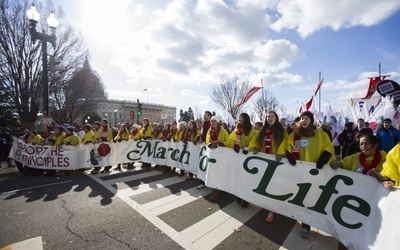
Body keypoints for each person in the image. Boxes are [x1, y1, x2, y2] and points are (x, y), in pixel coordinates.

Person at [277, 111, 335, 238]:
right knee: (301, 197)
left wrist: (323, 160)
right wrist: (289, 156)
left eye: (306, 118)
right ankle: (305, 224)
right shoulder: (295, 134)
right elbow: (287, 146)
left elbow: (328, 148)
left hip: (315, 173)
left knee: (312, 199)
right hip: (298, 172)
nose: (303, 120)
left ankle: (312, 221)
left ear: (311, 120)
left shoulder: (321, 135)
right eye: (302, 118)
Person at [249, 111, 287, 220]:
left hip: (275, 162)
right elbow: (255, 141)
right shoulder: (262, 130)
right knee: (264, 184)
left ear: (276, 118)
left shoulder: (281, 131)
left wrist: (280, 153)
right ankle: (265, 204)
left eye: (272, 116)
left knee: (273, 186)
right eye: (268, 116)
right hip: (263, 162)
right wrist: (255, 147)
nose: (270, 118)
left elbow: (285, 143)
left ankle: (272, 210)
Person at [227, 112, 257, 208]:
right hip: (238, 157)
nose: (240, 118)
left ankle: (246, 198)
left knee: (247, 179)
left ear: (246, 119)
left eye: (242, 117)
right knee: (239, 178)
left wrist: (249, 148)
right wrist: (234, 146)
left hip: (248, 157)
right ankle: (240, 195)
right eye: (239, 117)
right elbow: (230, 140)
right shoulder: (236, 130)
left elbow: (254, 141)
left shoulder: (252, 131)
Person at [206, 115, 230, 201]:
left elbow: (229, 142)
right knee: (213, 173)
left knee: (220, 172)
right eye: (211, 121)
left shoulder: (223, 131)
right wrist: (209, 143)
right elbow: (207, 139)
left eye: (214, 121)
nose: (212, 123)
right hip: (213, 155)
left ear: (218, 122)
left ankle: (222, 189)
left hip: (221, 155)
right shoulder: (209, 131)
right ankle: (214, 191)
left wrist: (220, 143)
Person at [197, 111, 212, 189]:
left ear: (209, 116)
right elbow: (202, 133)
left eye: (205, 115)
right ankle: (202, 181)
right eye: (204, 115)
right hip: (203, 145)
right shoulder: (203, 123)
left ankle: (207, 181)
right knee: (202, 163)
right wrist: (200, 139)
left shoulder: (211, 123)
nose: (204, 116)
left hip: (208, 145)